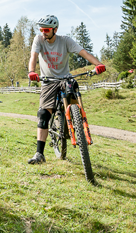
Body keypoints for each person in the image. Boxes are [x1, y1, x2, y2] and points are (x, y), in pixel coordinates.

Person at [26, 15, 105, 164]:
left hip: (65, 78)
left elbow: (83, 52)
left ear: (55, 29)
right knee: (43, 113)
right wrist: (32, 71)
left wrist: (98, 65)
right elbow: (33, 56)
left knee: (73, 91)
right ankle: (39, 154)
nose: (43, 32)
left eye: (47, 30)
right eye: (41, 29)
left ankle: (77, 124)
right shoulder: (39, 40)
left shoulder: (65, 41)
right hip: (48, 81)